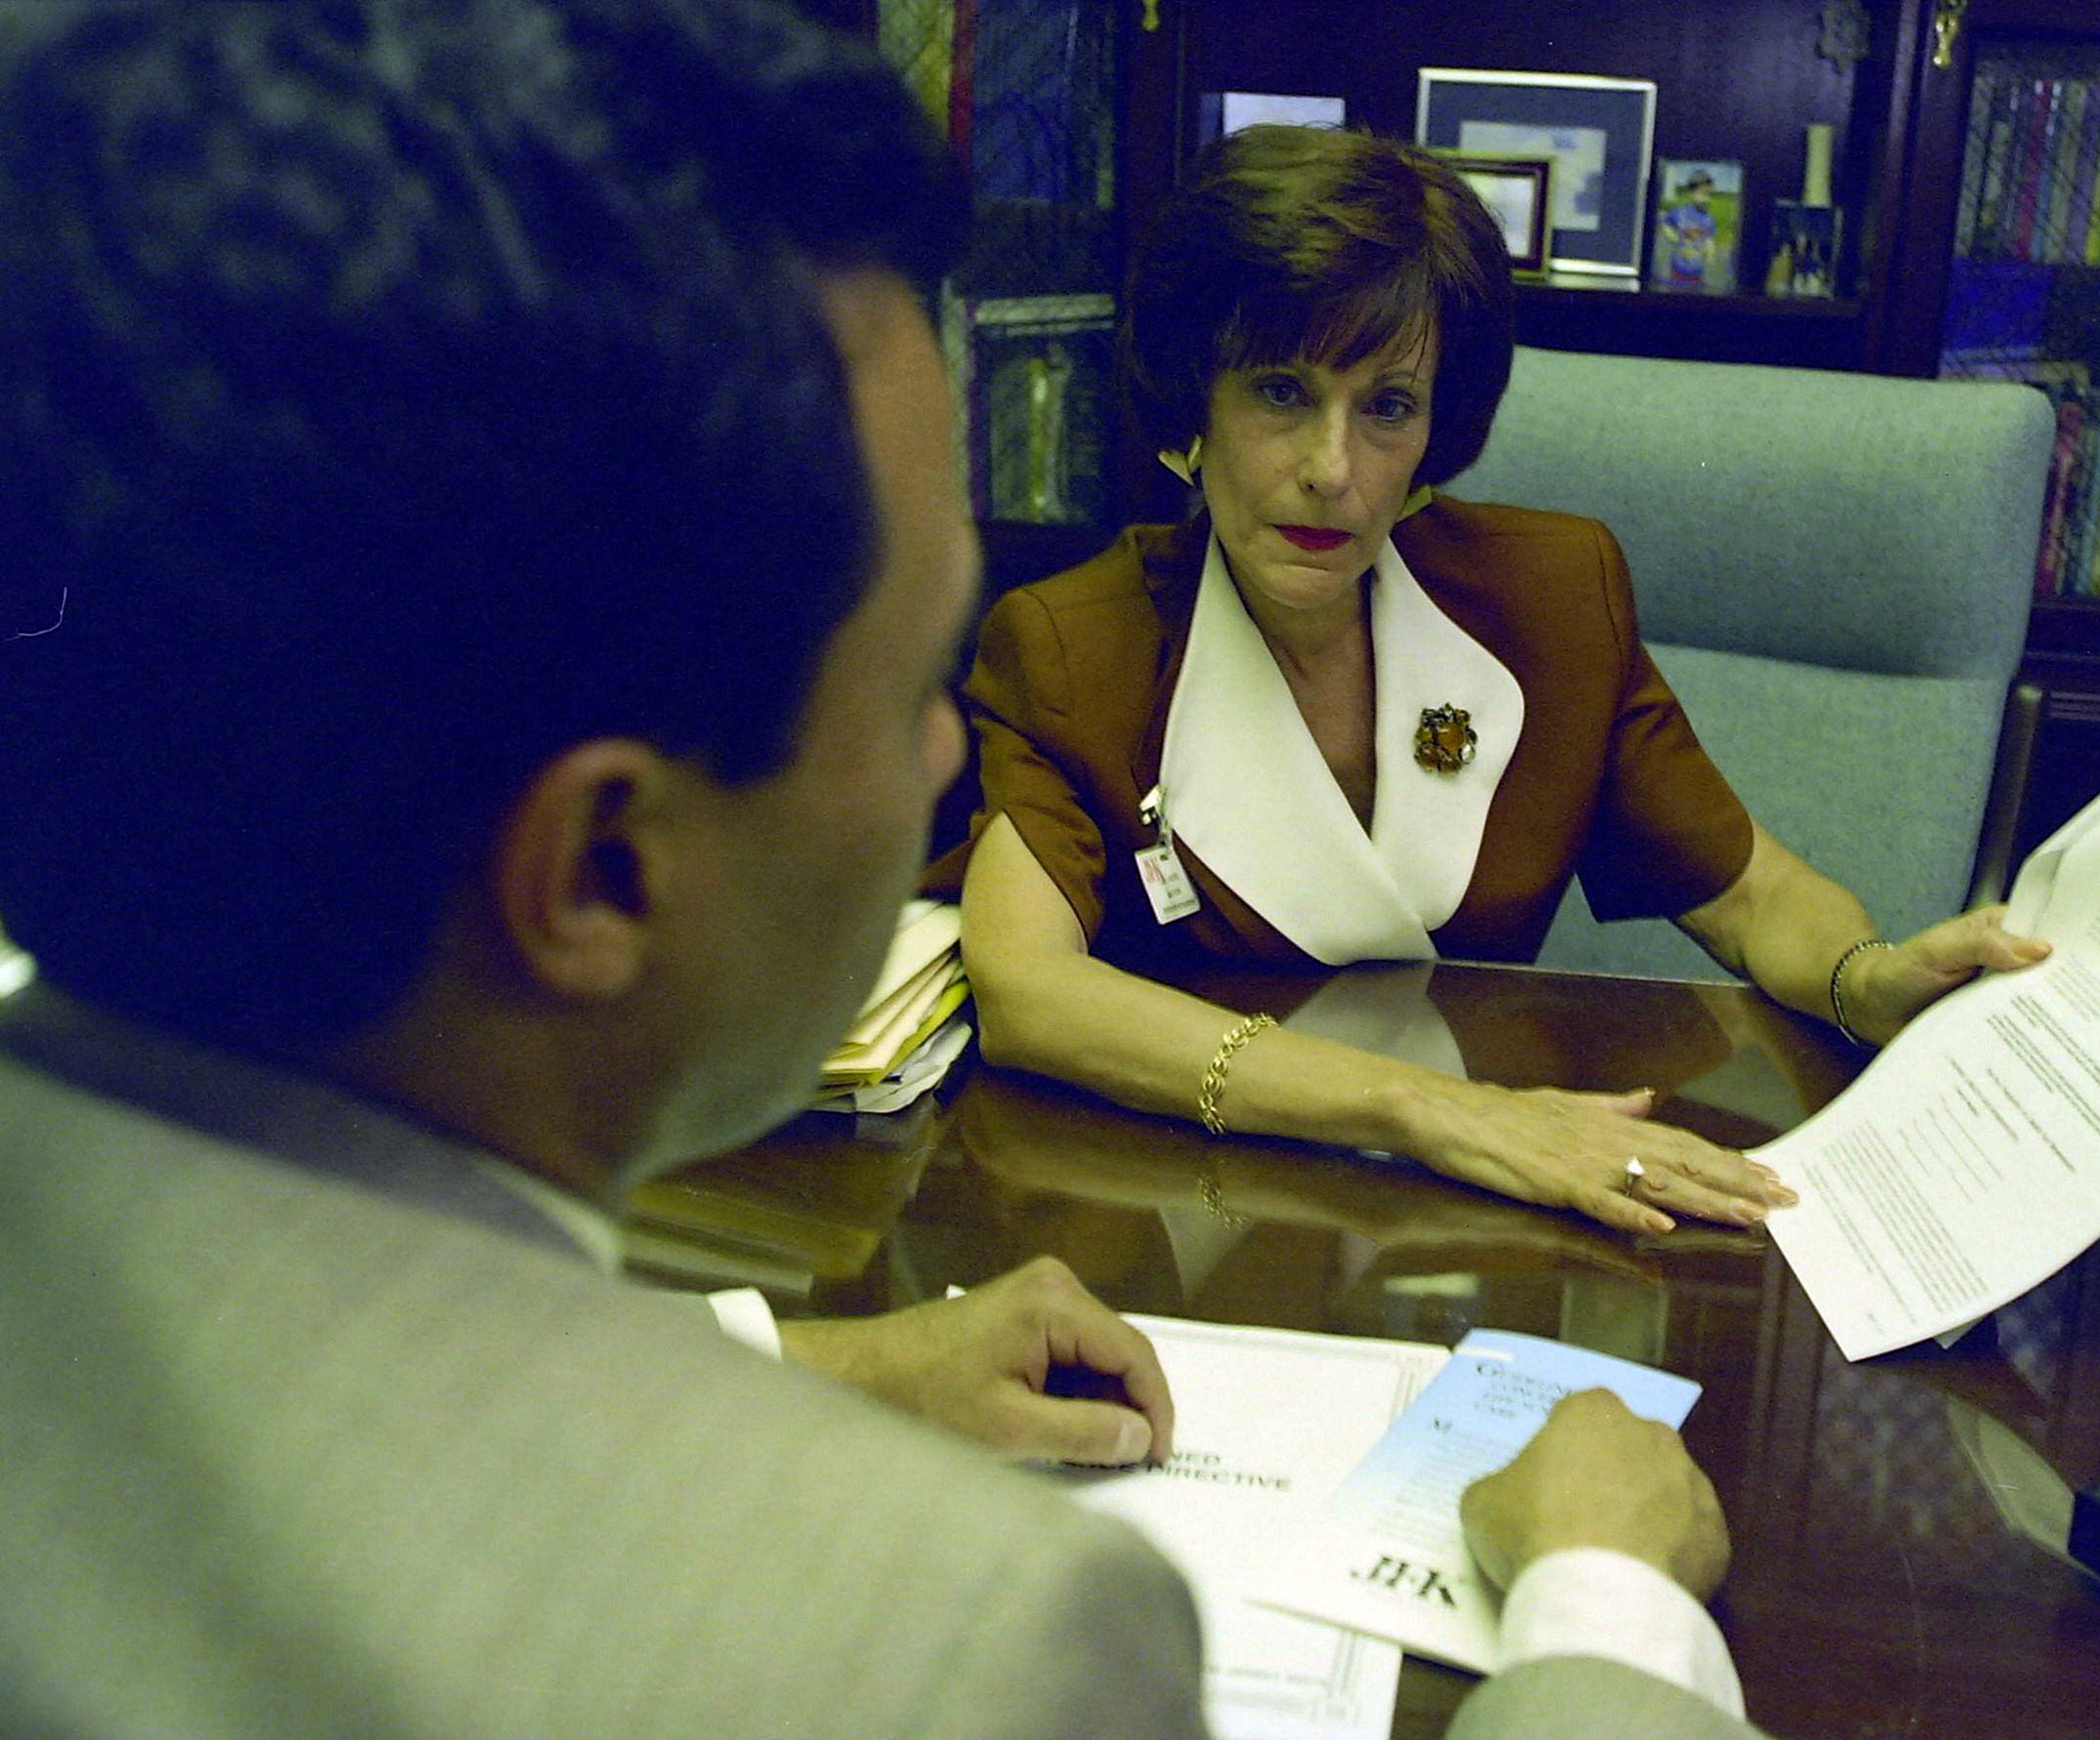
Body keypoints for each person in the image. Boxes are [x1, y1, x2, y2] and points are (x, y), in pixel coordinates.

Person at [0, 3, 1769, 1735]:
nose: (943, 757)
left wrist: (804, 1360)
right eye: (908, 678)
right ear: (600, 872)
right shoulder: (975, 1645)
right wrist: (1601, 1600)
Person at [941, 124, 2046, 1238]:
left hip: (1468, 1225)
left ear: (1438, 427)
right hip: (1185, 1206)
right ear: (1197, 404)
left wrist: (1865, 980)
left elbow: (1755, 899)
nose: (1331, 470)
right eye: (1280, 392)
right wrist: (1426, 1109)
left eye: (1387, 406)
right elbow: (1027, 990)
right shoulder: (1072, 646)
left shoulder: (1549, 599)